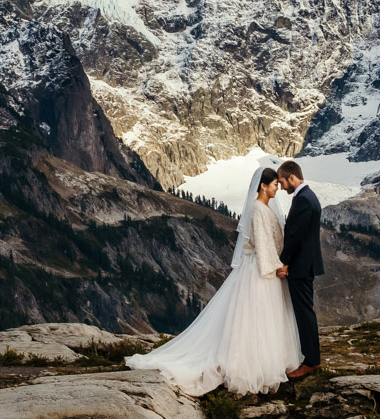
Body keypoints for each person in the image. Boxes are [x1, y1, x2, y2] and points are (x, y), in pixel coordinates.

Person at [124, 165, 300, 396]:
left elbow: (273, 242)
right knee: (255, 316)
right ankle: (249, 363)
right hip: (259, 270)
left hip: (265, 268)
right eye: (275, 184)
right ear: (263, 186)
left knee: (263, 316)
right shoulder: (257, 210)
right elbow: (262, 245)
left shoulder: (264, 209)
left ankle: (264, 359)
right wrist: (278, 267)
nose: (278, 188)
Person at [276, 159, 325, 378]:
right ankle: (310, 357)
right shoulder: (307, 197)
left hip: (301, 265)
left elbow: (296, 236)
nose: (281, 187)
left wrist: (284, 262)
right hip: (305, 263)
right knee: (305, 311)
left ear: (292, 177)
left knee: (304, 312)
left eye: (282, 182)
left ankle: (312, 361)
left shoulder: (304, 200)